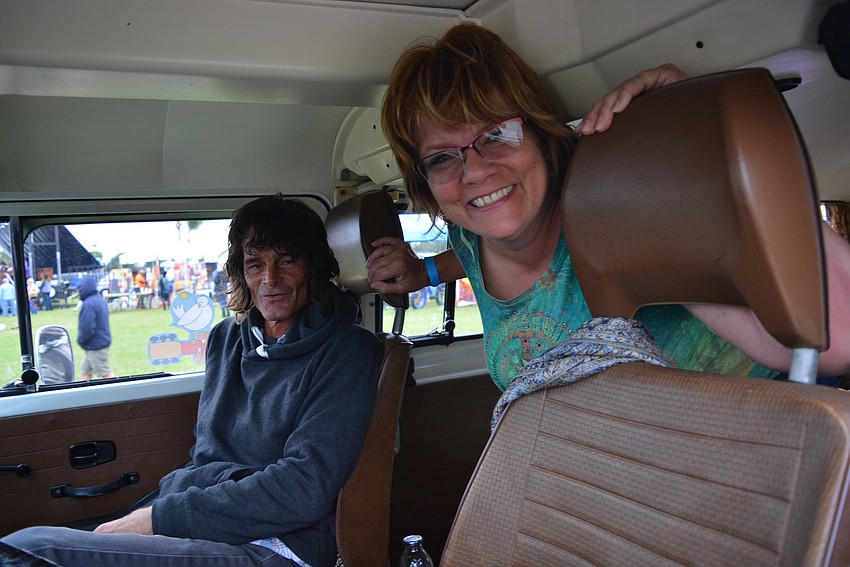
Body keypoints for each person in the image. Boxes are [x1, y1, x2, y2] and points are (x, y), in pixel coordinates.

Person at [366, 24, 850, 391]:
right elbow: (473, 260)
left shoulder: (619, 215)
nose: (473, 171)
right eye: (442, 158)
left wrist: (701, 135)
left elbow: (835, 342)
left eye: (496, 134)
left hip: (749, 447)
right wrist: (423, 274)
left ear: (540, 133)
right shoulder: (469, 237)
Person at [3, 195, 384, 567]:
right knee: (28, 542)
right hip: (207, 518)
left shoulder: (348, 350)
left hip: (281, 542)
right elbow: (207, 456)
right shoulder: (227, 338)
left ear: (314, 266)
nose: (270, 279)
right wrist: (163, 511)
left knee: (29, 549)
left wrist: (158, 520)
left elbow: (304, 488)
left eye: (287, 261)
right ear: (240, 272)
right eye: (255, 264)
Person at [76, 276, 116, 381]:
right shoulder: (99, 300)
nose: (78, 292)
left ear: (85, 289)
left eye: (80, 289)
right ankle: (84, 395)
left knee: (105, 372)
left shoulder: (89, 304)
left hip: (96, 346)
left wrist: (81, 340)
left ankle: (120, 392)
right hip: (97, 344)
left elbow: (87, 327)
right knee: (85, 371)